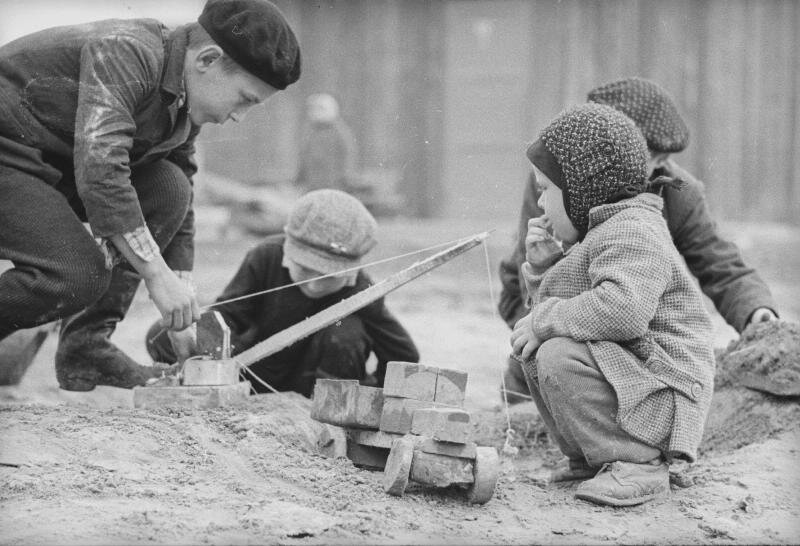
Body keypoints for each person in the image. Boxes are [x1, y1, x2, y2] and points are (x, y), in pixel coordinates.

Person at [0, 0, 301, 391]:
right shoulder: (127, 51)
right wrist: (156, 278)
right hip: (9, 153)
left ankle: (85, 350)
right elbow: (101, 167)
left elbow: (182, 195)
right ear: (208, 60)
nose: (239, 116)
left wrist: (181, 305)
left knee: (169, 188)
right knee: (75, 272)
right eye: (245, 98)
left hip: (44, 165)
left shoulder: (182, 98)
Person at [499, 77, 777, 403]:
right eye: (652, 157)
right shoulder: (554, 183)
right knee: (535, 376)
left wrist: (757, 312)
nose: (661, 167)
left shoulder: (677, 190)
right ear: (605, 150)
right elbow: (534, 277)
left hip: (628, 313)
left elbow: (721, 263)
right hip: (543, 308)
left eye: (664, 160)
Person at [510, 103, 715, 507]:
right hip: (640, 382)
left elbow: (622, 310)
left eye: (546, 191)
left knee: (555, 352)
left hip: (667, 390)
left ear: (582, 187)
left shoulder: (633, 230)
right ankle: (594, 457)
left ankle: (638, 463)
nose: (540, 206)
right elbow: (567, 309)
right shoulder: (604, 229)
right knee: (534, 347)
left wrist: (544, 320)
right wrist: (542, 268)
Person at [146, 189, 420, 397]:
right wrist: (200, 349)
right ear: (289, 252)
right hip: (254, 374)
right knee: (164, 333)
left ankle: (332, 414)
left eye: (327, 277)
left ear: (348, 273)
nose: (313, 285)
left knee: (345, 331)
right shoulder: (267, 257)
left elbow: (402, 352)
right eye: (304, 269)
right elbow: (227, 316)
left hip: (319, 385)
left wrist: (378, 398)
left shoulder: (360, 289)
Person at [295, 93, 358, 193]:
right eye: (312, 109)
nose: (313, 113)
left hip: (333, 185)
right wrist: (300, 177)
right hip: (312, 185)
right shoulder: (312, 133)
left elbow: (347, 156)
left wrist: (345, 178)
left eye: (318, 109)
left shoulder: (339, 132)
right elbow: (305, 156)